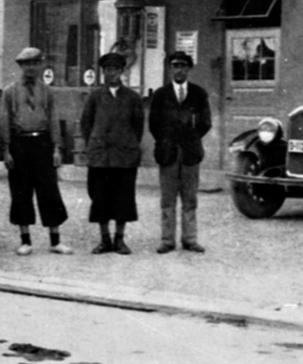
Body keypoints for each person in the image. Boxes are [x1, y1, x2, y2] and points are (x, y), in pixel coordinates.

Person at [0, 47, 72, 256]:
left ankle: (55, 240)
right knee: (21, 192)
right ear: (21, 66)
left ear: (41, 65)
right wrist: (6, 150)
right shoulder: (10, 91)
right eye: (27, 64)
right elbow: (5, 121)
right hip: (20, 143)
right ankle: (25, 241)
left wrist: (57, 148)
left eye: (35, 63)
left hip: (42, 144)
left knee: (49, 191)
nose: (31, 68)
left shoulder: (47, 91)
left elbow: (53, 119)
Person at [78, 51, 146, 254]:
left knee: (123, 198)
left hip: (124, 157)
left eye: (116, 69)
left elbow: (138, 127)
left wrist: (127, 144)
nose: (112, 73)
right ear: (103, 72)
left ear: (122, 71)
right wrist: (96, 144)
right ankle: (104, 239)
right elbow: (86, 124)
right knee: (100, 198)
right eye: (108, 70)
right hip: (101, 157)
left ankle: (119, 240)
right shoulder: (95, 96)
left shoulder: (132, 98)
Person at [147, 50, 212, 254]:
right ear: (170, 69)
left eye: (183, 66)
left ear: (189, 69)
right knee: (167, 200)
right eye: (175, 66)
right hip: (168, 153)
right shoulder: (160, 95)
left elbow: (205, 123)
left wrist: (190, 139)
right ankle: (167, 240)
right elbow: (154, 125)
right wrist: (168, 140)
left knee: (190, 200)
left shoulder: (199, 94)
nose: (179, 70)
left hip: (190, 154)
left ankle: (189, 239)